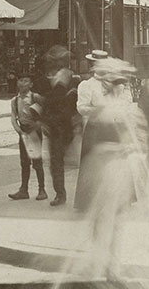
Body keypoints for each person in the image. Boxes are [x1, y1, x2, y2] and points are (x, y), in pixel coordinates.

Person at [72, 58, 149, 279]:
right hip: (103, 171)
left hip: (122, 171)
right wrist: (116, 148)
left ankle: (112, 268)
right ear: (109, 85)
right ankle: (102, 266)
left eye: (122, 83)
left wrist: (134, 147)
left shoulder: (129, 110)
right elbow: (92, 145)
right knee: (103, 220)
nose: (121, 87)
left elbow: (140, 138)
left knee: (119, 220)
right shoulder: (101, 112)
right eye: (117, 83)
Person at [34, 45, 79, 207]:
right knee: (56, 162)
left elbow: (63, 101)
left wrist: (44, 100)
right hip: (55, 125)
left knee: (57, 162)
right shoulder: (52, 78)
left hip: (63, 125)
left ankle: (61, 194)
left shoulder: (69, 78)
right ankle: (60, 193)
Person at [8, 74, 46, 201]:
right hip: (23, 131)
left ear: (31, 84)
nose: (23, 83)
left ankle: (42, 189)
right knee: (24, 162)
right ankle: (23, 190)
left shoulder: (35, 97)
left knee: (37, 161)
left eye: (26, 81)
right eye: (20, 80)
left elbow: (44, 114)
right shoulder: (15, 100)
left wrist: (37, 126)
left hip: (34, 131)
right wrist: (19, 131)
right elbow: (13, 117)